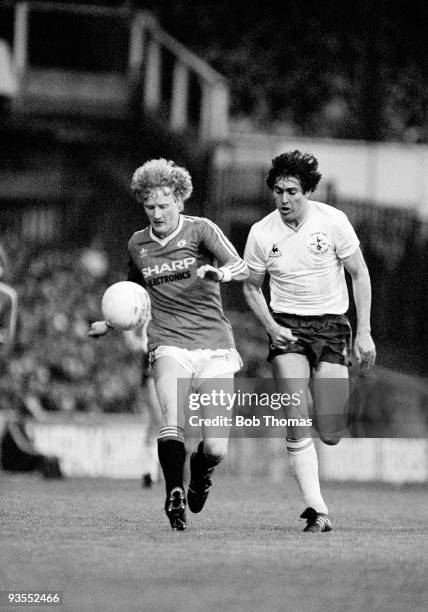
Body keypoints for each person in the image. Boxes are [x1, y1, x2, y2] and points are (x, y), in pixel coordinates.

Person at [89, 158, 248, 530]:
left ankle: (200, 469)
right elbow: (133, 297)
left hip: (214, 345)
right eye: (149, 206)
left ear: (180, 199)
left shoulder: (201, 231)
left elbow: (241, 266)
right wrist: (109, 323)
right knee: (171, 418)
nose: (156, 213)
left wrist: (219, 272)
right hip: (168, 342)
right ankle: (174, 492)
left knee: (215, 448)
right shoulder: (138, 245)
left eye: (163, 204)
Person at [243, 150, 376, 532]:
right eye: (278, 191)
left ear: (308, 192)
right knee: (295, 412)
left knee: (331, 432)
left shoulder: (334, 222)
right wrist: (271, 326)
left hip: (332, 326)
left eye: (292, 191)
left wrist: (363, 331)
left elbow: (360, 274)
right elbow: (252, 289)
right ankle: (317, 509)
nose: (284, 199)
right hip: (287, 327)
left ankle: (326, 403)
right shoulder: (261, 233)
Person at [122, 323, 162, 488]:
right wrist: (126, 327)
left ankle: (151, 471)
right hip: (152, 375)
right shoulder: (149, 319)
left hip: (165, 373)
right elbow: (134, 343)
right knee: (158, 421)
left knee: (158, 425)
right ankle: (150, 472)